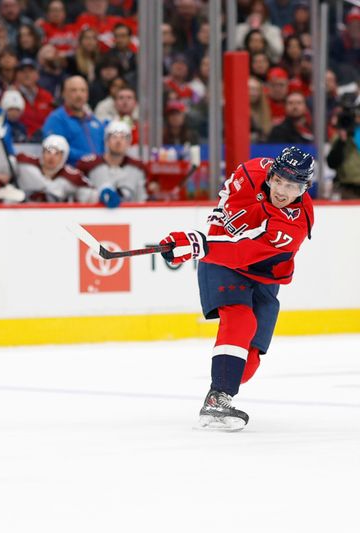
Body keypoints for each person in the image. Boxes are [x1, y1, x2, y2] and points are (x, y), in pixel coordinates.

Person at [158, 147, 315, 431]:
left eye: (292, 186)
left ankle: (225, 383)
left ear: (304, 188)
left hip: (262, 272)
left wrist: (198, 245)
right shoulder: (249, 171)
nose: (282, 191)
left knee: (246, 367)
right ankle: (218, 399)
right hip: (221, 260)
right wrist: (205, 240)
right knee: (240, 318)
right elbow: (226, 203)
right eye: (278, 180)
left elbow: (245, 251)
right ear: (270, 174)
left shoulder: (295, 224)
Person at [76, 120, 146, 207]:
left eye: (123, 137)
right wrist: (97, 196)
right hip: (95, 217)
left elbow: (141, 199)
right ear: (106, 141)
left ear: (129, 142)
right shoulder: (89, 165)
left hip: (128, 217)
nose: (118, 141)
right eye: (114, 136)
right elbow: (77, 192)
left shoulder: (138, 167)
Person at [43, 76, 107, 164]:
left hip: (97, 171)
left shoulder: (93, 120)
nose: (79, 95)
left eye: (83, 90)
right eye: (73, 90)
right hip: (69, 173)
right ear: (64, 94)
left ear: (87, 94)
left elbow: (104, 147)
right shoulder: (56, 119)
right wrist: (89, 159)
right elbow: (55, 148)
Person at [16, 134, 94, 202]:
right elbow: (7, 169)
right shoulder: (25, 163)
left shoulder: (73, 177)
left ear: (64, 157)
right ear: (42, 152)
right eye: (48, 152)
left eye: (57, 153)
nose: (51, 157)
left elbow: (91, 194)